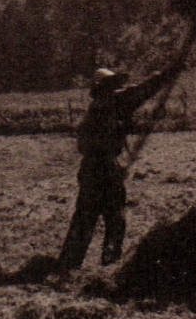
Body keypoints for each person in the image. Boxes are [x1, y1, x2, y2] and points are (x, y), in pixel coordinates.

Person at [57, 62, 183, 270]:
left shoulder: (98, 109)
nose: (116, 88)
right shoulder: (115, 102)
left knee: (87, 218)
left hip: (93, 169)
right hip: (104, 169)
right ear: (102, 88)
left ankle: (71, 264)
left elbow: (102, 135)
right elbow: (144, 90)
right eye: (112, 84)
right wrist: (168, 73)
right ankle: (108, 263)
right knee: (113, 219)